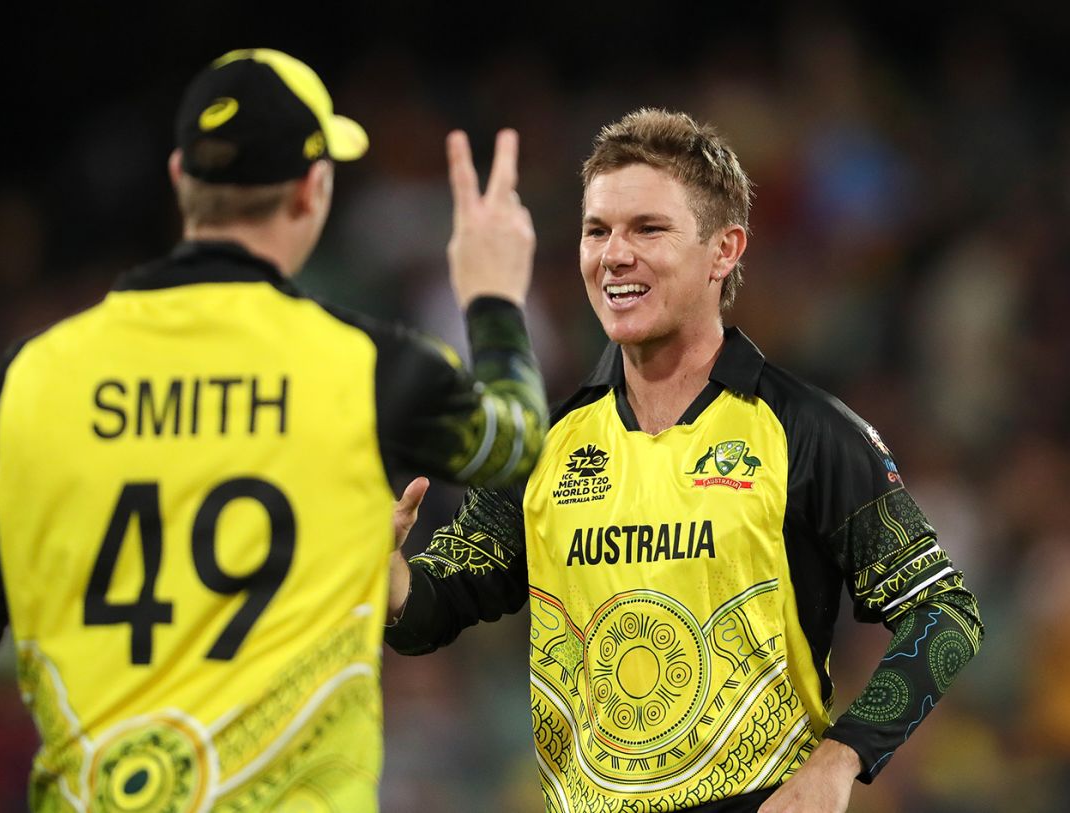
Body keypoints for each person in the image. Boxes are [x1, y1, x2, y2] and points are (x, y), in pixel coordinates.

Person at [0, 48, 548, 812]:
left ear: (181, 180)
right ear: (314, 189)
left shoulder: (25, 381)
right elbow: (517, 438)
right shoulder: (371, 367)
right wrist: (493, 296)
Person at [386, 108, 983, 812]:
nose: (614, 254)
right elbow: (431, 610)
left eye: (648, 228)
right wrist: (387, 571)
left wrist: (842, 755)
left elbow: (946, 612)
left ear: (724, 249)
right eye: (597, 230)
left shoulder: (806, 431)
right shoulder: (545, 447)